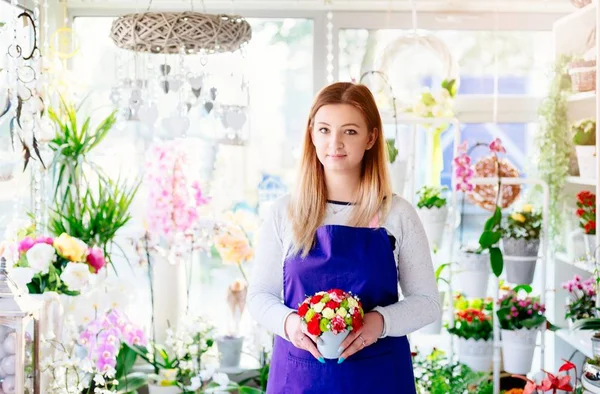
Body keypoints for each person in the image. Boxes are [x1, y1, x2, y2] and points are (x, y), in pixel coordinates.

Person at [247, 82, 440, 393]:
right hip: (300, 377)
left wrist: (379, 323)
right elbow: (259, 297)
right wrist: (292, 325)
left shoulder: (397, 214)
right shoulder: (285, 212)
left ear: (371, 137)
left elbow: (427, 303)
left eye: (349, 131)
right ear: (311, 134)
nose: (334, 142)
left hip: (378, 376)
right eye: (324, 130)